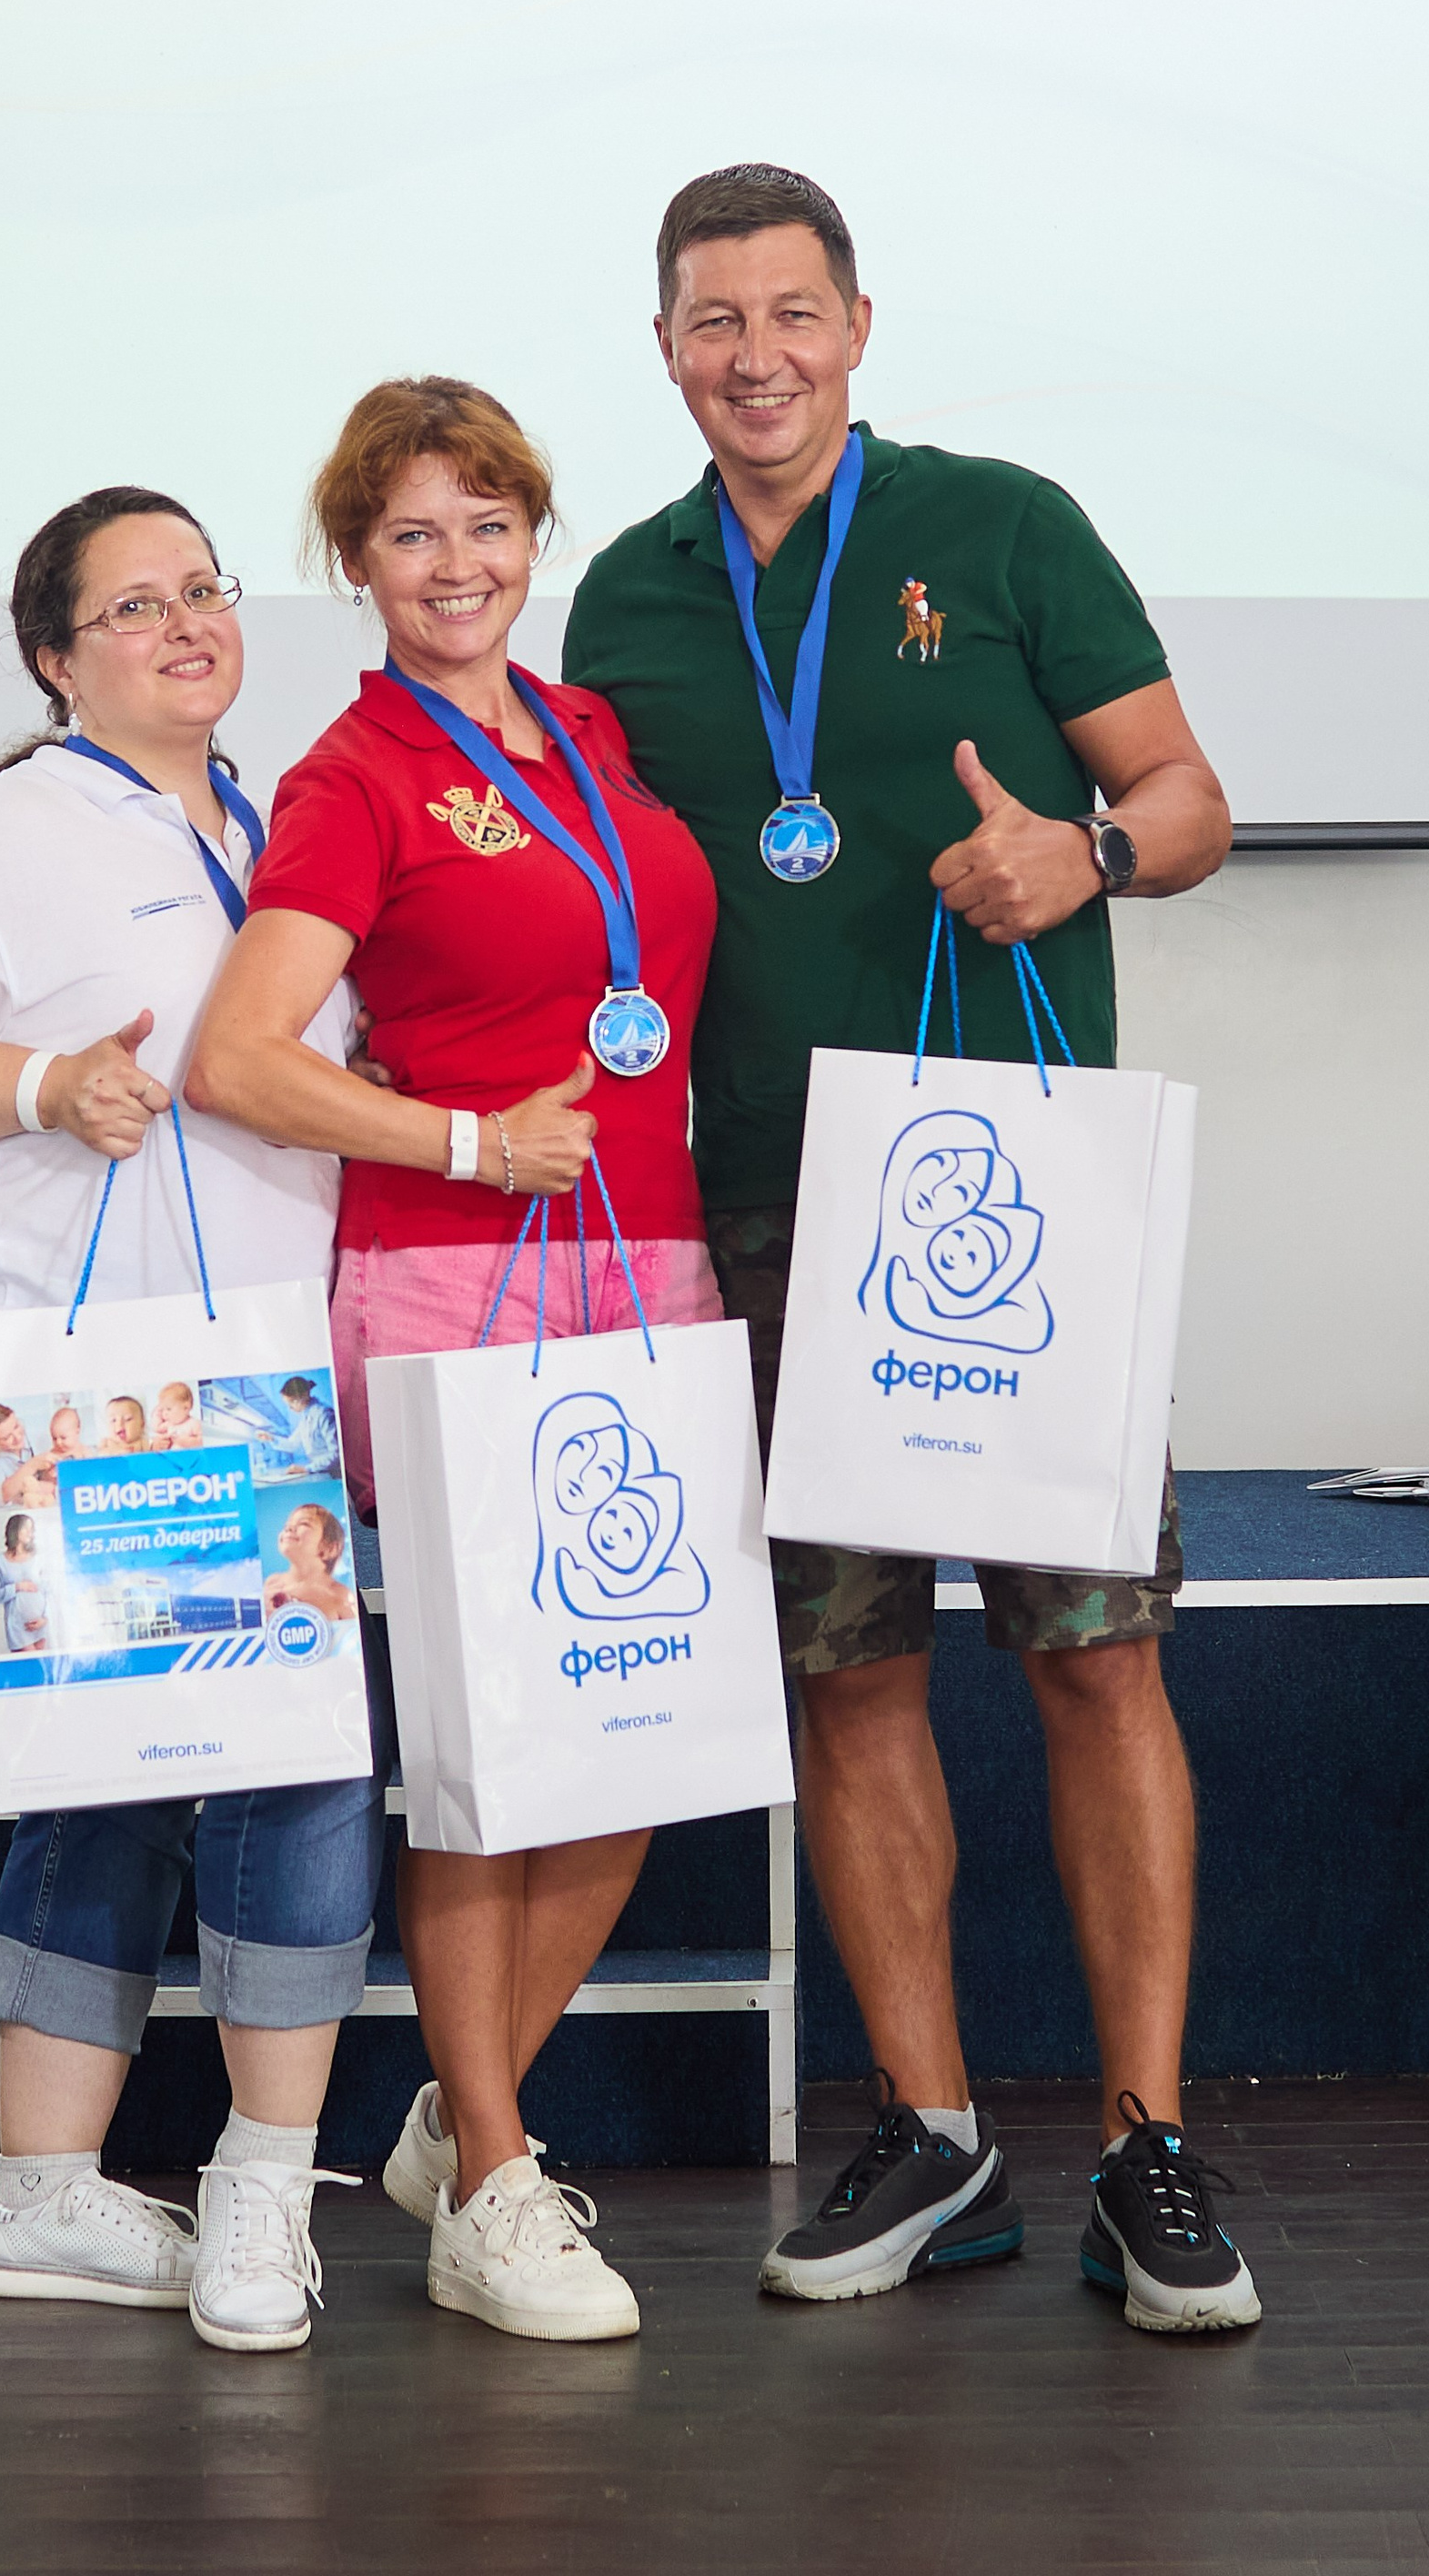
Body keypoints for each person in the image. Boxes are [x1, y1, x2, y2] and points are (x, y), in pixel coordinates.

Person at [562, 161, 1256, 2336]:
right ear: (661, 345)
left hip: (1012, 1192)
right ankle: (935, 2131)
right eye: (707, 320)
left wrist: (1088, 851)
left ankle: (1141, 2141)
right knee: (843, 1674)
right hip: (759, 1202)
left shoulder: (1003, 523)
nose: (751, 354)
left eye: (788, 311)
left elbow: (1191, 800)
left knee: (1092, 1654)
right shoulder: (619, 593)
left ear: (855, 323)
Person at [0, 485, 381, 2355]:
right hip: (72, 1404)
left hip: (259, 1387)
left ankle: (86, 2195)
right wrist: (51, 1083)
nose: (185, 624)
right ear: (56, 657)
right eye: (133, 606)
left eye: (203, 589)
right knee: (255, 1765)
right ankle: (219, 2198)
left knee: (138, 1766)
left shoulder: (297, 825)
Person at [188, 376, 720, 2344]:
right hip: (459, 1288)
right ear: (357, 565)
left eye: (485, 524)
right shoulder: (351, 775)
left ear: (530, 539)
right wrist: (466, 1138)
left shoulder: (584, 733)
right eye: (411, 534)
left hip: (643, 1269)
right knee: (499, 1755)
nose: (456, 563)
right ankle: (491, 2183)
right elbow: (236, 1057)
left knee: (633, 1731)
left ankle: (449, 2115)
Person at [265, 1501, 357, 1622]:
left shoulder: (339, 1596)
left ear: (329, 1548)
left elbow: (354, 1636)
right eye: (286, 1525)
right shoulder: (273, 1583)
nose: (289, 1528)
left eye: (304, 1523)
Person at [0, 1514, 48, 1655]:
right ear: (15, 1530)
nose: (30, 1533)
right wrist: (17, 1587)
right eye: (26, 1529)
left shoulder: (38, 1558)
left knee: (41, 1670)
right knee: (30, 1665)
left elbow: (49, 1591)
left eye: (31, 1529)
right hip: (18, 1627)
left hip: (40, 1625)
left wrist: (45, 1619)